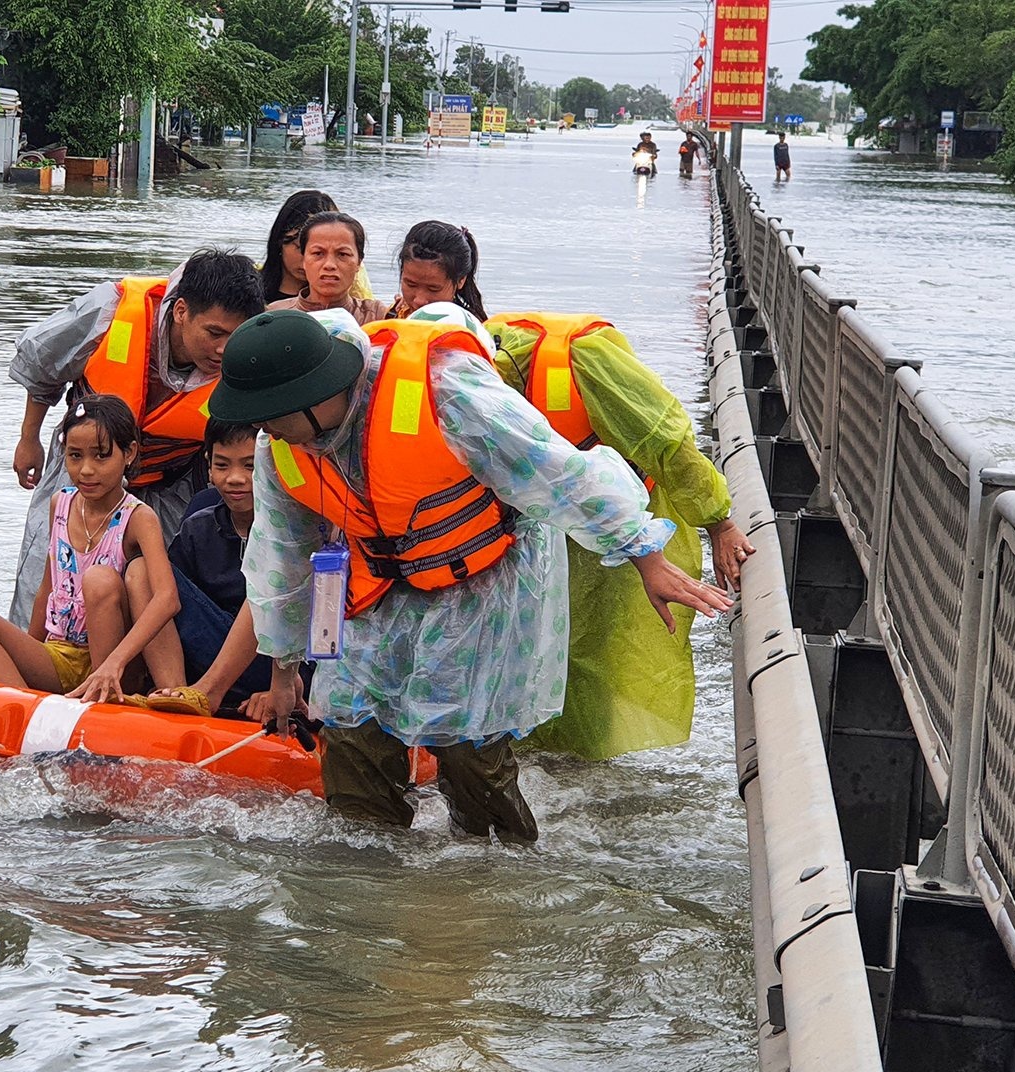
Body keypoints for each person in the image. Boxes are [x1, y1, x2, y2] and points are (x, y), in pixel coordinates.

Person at [212, 306, 732, 841]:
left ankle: (502, 863)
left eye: (274, 415)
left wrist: (643, 554)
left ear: (318, 395)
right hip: (379, 584)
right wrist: (284, 675)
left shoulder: (450, 392)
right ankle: (365, 882)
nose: (265, 429)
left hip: (486, 582)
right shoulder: (278, 444)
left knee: (468, 751)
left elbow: (554, 471)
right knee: (349, 731)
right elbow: (282, 558)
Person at [391, 219, 756, 760]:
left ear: (461, 285)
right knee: (515, 656)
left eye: (432, 291)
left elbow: (666, 437)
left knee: (594, 657)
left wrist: (718, 521)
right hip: (518, 531)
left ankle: (583, 768)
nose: (417, 301)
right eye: (409, 286)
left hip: (610, 529)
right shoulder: (410, 355)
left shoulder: (579, 359)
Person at [7, 248, 264, 624]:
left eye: (235, 337)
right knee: (49, 579)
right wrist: (28, 438)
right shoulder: (112, 309)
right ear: (180, 312)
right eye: (213, 333)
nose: (224, 349)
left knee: (153, 589)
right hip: (83, 470)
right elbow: (42, 363)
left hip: (170, 483)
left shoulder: (251, 358)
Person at [0, 395, 179, 703]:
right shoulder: (61, 503)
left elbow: (167, 599)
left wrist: (113, 664)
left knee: (99, 578)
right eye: (74, 456)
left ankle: (102, 699)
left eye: (101, 456)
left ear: (129, 453)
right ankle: (24, 706)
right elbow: (47, 587)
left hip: (114, 664)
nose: (86, 470)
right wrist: (22, 652)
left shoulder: (138, 518)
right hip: (59, 655)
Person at [129, 419, 276, 718]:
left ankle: (205, 693)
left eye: (250, 466)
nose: (235, 478)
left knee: (269, 581)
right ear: (208, 466)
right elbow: (170, 604)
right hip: (209, 650)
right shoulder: (199, 526)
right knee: (142, 570)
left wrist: (281, 685)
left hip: (275, 661)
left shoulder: (291, 531)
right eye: (222, 466)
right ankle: (177, 693)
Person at [264, 212, 387, 325]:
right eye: (318, 253)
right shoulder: (274, 316)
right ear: (304, 260)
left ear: (359, 262)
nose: (329, 265)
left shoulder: (376, 316)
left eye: (343, 254)